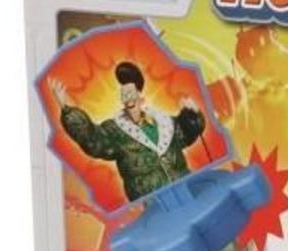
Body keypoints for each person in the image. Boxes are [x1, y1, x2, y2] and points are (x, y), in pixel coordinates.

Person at [49, 60, 207, 201]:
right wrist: (67, 110)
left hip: (187, 191)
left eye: (134, 98)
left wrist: (191, 115)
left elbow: (186, 133)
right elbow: (93, 139)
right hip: (153, 205)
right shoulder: (115, 132)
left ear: (142, 99)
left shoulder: (163, 122)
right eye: (127, 100)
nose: (131, 103)